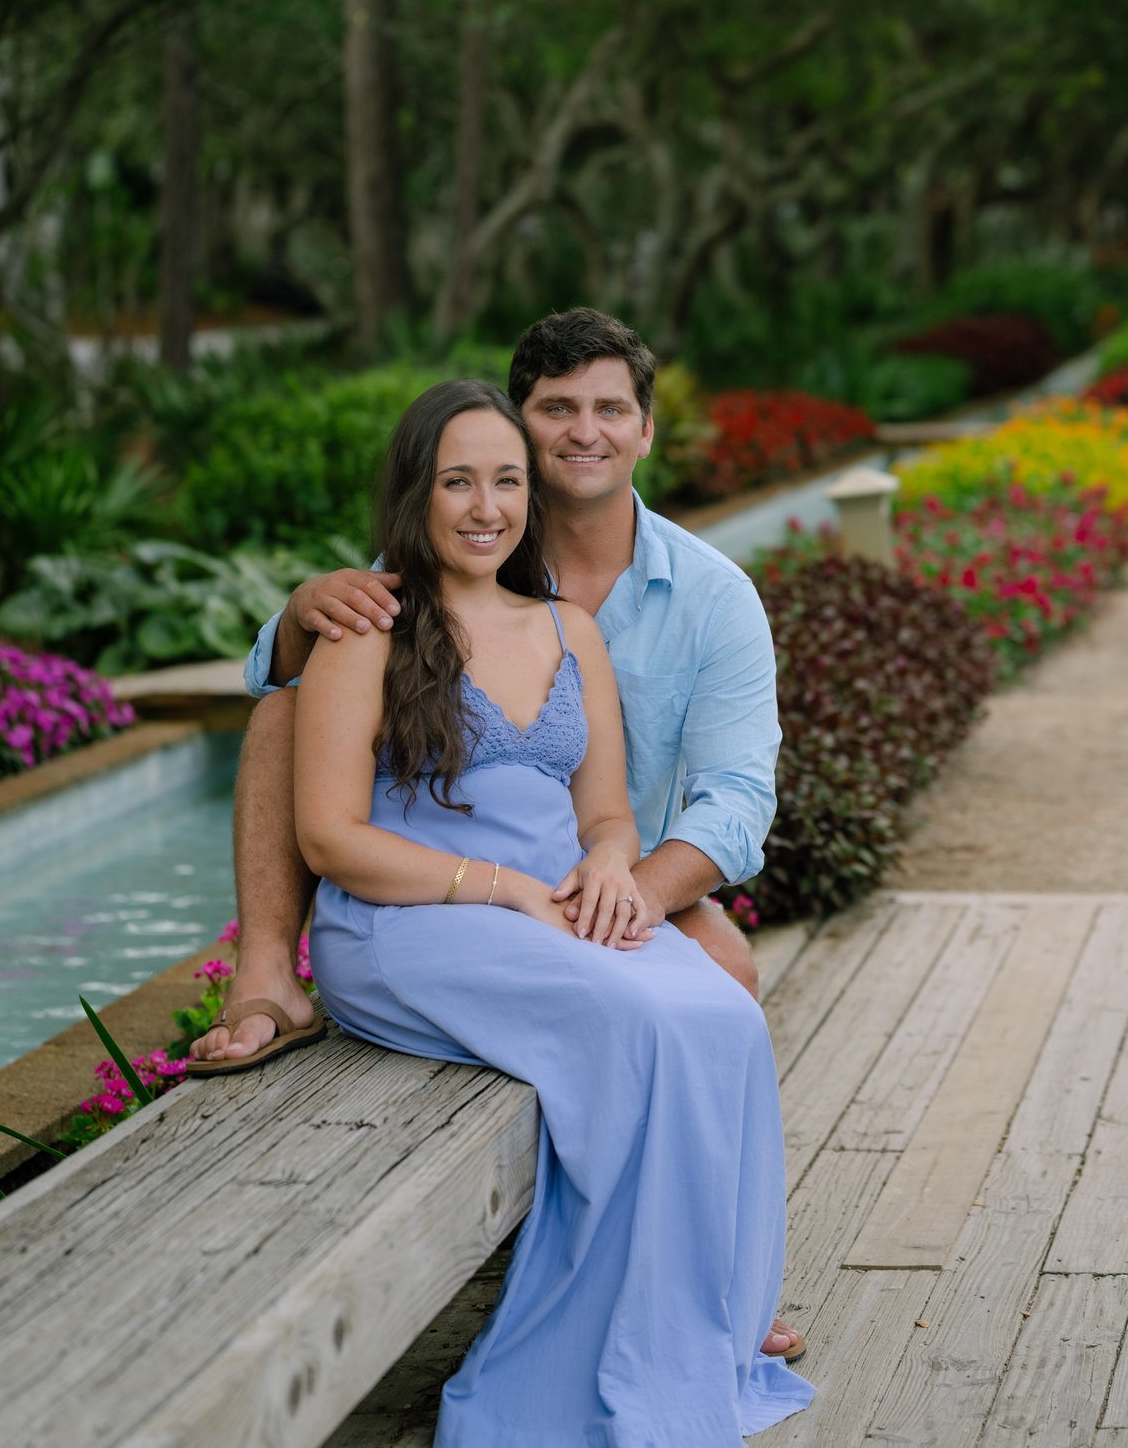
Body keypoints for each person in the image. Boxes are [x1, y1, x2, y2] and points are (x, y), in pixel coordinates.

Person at [190, 307, 807, 1361]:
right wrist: (300, 612)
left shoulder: (703, 595)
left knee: (722, 984)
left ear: (646, 430)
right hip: (454, 888)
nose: (584, 430)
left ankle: (711, 1281)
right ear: (516, 427)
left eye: (610, 408)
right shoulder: (396, 600)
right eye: (556, 408)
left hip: (624, 871)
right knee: (282, 706)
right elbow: (294, 710)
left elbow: (735, 798)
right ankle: (268, 977)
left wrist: (622, 881)